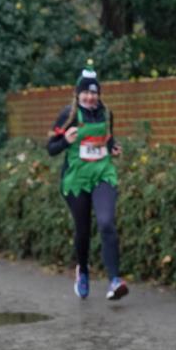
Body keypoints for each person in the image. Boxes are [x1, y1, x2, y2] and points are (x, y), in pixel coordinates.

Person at [46, 63, 127, 301]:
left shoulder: (106, 113)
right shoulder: (68, 115)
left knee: (106, 222)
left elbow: (107, 139)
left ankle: (115, 280)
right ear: (78, 94)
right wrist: (65, 141)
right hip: (76, 179)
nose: (90, 97)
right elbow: (51, 148)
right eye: (86, 93)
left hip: (102, 174)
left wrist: (113, 147)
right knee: (83, 229)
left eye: (94, 93)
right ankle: (82, 270)